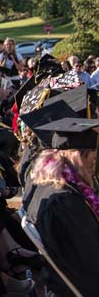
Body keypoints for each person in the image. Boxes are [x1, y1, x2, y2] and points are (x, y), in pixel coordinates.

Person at [24, 117, 99, 296]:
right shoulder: (64, 203)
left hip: (63, 278)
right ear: (78, 156)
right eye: (93, 158)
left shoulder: (48, 184)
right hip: (82, 283)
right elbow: (91, 259)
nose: (94, 165)